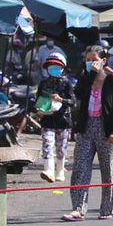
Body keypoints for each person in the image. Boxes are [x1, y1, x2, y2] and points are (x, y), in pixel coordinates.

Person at [65, 45, 113, 221]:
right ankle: (78, 208)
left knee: (109, 170)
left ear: (103, 61)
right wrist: (90, 74)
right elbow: (78, 94)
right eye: (88, 60)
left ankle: (107, 209)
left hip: (105, 129)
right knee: (80, 168)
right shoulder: (85, 79)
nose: (91, 63)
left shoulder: (112, 81)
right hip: (86, 127)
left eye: (95, 60)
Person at [34, 54, 73, 183]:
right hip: (47, 120)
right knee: (47, 145)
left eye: (56, 66)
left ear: (62, 68)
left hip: (63, 121)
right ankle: (49, 171)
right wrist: (39, 110)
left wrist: (61, 100)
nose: (53, 68)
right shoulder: (43, 83)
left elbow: (73, 102)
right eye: (51, 66)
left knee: (61, 149)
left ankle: (60, 171)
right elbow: (38, 99)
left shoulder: (67, 83)